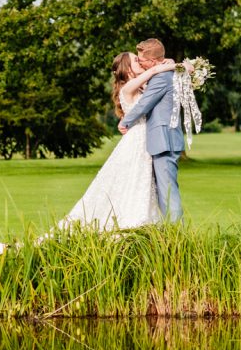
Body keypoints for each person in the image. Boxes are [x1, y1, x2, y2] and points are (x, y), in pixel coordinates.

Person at [57, 50, 176, 231]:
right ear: (128, 69)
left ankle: (145, 226)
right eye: (137, 60)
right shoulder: (128, 88)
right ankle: (132, 224)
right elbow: (152, 72)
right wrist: (175, 65)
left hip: (146, 140)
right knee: (132, 182)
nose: (141, 62)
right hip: (136, 142)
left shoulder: (142, 86)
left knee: (141, 184)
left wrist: (165, 62)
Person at [117, 38, 185, 223]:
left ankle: (177, 235)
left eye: (141, 60)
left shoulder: (161, 78)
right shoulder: (160, 76)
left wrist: (125, 122)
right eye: (136, 61)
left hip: (164, 139)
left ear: (153, 62)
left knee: (168, 192)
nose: (139, 62)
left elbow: (144, 104)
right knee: (163, 191)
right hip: (160, 139)